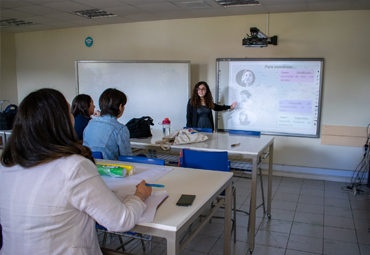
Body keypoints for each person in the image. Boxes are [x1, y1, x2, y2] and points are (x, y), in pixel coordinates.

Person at [0, 88, 152, 255]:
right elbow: (120, 221)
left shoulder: (6, 166)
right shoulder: (74, 167)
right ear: (62, 121)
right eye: (69, 111)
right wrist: (139, 196)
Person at [83, 88, 132, 160]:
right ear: (120, 107)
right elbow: (127, 158)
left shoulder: (91, 123)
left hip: (88, 165)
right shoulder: (120, 129)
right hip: (108, 169)